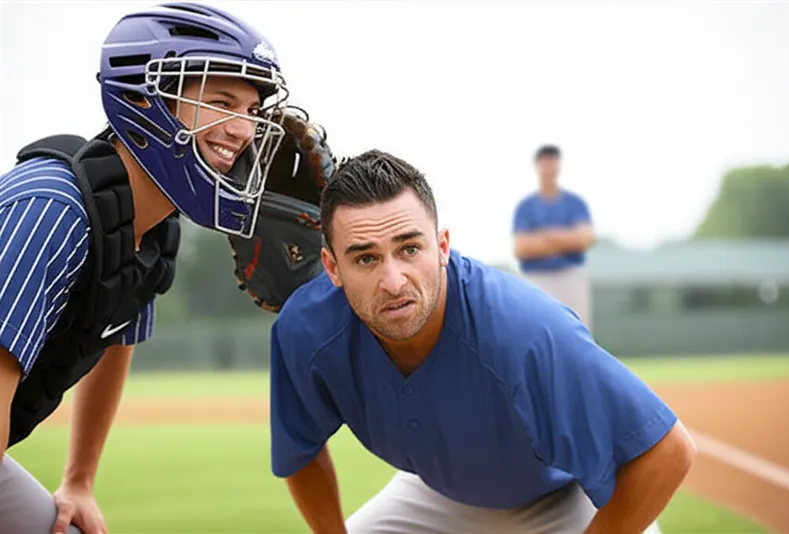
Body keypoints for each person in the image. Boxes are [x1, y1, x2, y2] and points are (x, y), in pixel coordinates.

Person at [269, 150, 697, 534]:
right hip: (437, 499)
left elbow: (668, 452)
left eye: (410, 249)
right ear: (331, 266)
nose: (393, 281)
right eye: (365, 258)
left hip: (565, 497)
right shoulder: (307, 330)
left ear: (442, 246)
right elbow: (300, 450)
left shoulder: (526, 332)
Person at [0, 3, 296, 533]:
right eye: (222, 102)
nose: (244, 130)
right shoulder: (53, 209)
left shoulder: (151, 230)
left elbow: (113, 337)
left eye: (252, 110)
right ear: (142, 96)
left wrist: (80, 479)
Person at [512, 144, 596, 331]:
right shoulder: (526, 207)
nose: (549, 168)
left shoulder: (575, 203)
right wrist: (567, 239)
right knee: (535, 330)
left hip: (569, 276)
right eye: (545, 163)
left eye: (553, 163)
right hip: (537, 277)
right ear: (537, 165)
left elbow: (584, 239)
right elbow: (522, 248)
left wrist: (544, 235)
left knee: (577, 332)